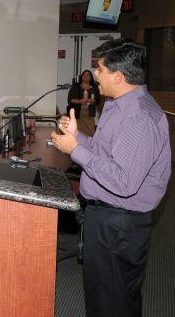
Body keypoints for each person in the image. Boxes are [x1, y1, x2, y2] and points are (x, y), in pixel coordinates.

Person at [51, 38, 171, 317]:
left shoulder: (139, 117)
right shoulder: (118, 106)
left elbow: (123, 182)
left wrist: (76, 151)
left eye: (100, 70)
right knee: (103, 295)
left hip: (120, 224)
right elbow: (105, 153)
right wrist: (76, 138)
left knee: (113, 302)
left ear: (118, 76)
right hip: (106, 218)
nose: (95, 76)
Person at [67, 69, 100, 136]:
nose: (85, 76)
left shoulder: (95, 88)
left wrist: (93, 101)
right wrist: (80, 101)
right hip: (77, 114)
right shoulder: (75, 87)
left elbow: (98, 100)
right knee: (77, 133)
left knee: (90, 133)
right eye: (84, 74)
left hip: (90, 114)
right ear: (81, 76)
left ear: (91, 78)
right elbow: (70, 100)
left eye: (88, 75)